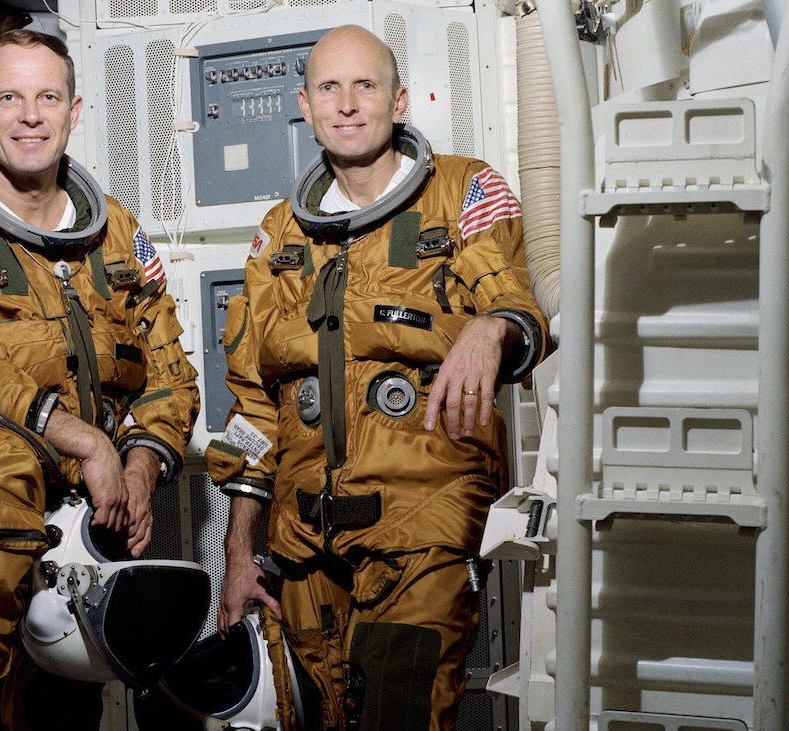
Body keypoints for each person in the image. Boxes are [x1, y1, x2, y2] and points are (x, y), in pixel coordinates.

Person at [204, 25, 548, 731]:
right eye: (329, 87)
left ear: (397, 100)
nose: (348, 104)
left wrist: (490, 327)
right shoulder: (279, 235)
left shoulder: (462, 189)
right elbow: (252, 406)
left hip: (422, 522)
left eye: (365, 86)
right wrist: (239, 552)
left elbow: (513, 298)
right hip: (302, 544)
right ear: (303, 103)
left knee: (399, 711)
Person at [0, 29, 200, 731]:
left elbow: (169, 376)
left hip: (88, 503)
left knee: (59, 704)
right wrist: (83, 439)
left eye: (46, 97)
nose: (29, 116)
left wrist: (138, 469)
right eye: (9, 97)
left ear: (74, 110)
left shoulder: (118, 238)